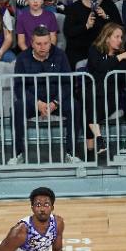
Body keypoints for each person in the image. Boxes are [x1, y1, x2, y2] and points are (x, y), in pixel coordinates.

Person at [12, 26, 80, 164]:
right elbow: (19, 87)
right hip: (34, 101)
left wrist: (55, 102)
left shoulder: (60, 55)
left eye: (46, 43)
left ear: (50, 42)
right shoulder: (22, 58)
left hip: (56, 100)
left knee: (74, 106)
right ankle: (18, 153)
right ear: (32, 43)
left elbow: (67, 83)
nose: (43, 47)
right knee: (18, 107)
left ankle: (71, 153)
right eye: (38, 44)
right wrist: (37, 103)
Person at [86, 22, 126, 155]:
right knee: (89, 100)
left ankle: (95, 143)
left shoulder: (123, 57)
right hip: (92, 91)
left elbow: (125, 79)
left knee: (89, 110)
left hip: (110, 95)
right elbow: (100, 67)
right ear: (107, 37)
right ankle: (99, 139)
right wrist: (120, 57)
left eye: (121, 37)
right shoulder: (95, 50)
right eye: (117, 37)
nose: (120, 40)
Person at [62, 0, 123, 69]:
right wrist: (86, 26)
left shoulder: (109, 4)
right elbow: (68, 31)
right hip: (79, 50)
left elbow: (120, 29)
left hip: (104, 49)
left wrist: (106, 17)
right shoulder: (74, 7)